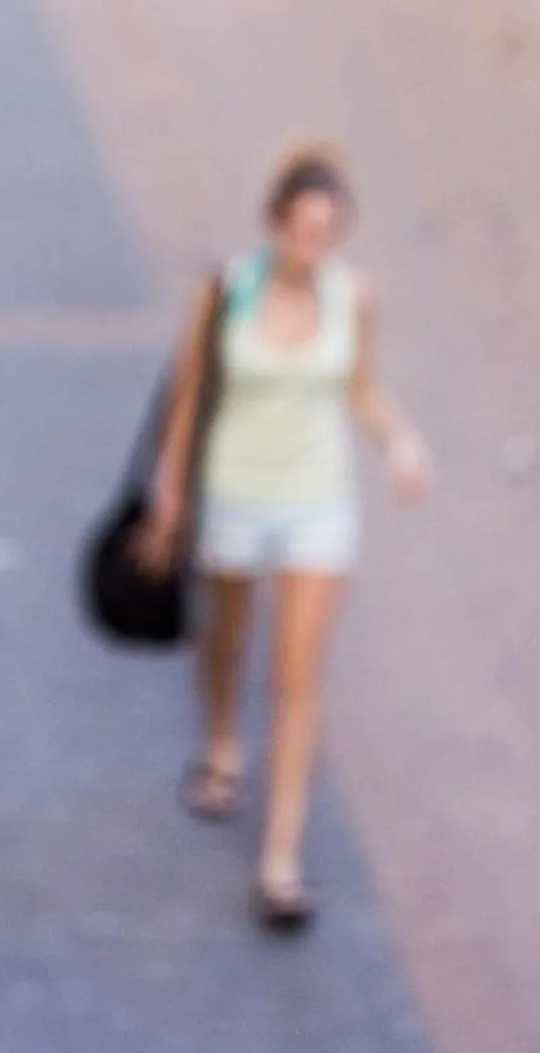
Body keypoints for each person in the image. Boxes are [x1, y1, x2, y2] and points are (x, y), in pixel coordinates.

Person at [138, 146, 430, 930]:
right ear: (275, 225)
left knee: (298, 676)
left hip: (316, 502)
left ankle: (279, 859)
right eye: (302, 229)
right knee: (227, 635)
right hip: (235, 492)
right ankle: (222, 739)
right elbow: (190, 390)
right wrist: (168, 490)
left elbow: (360, 388)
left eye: (328, 232)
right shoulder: (228, 289)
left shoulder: (350, 298)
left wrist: (400, 442)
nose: (313, 246)